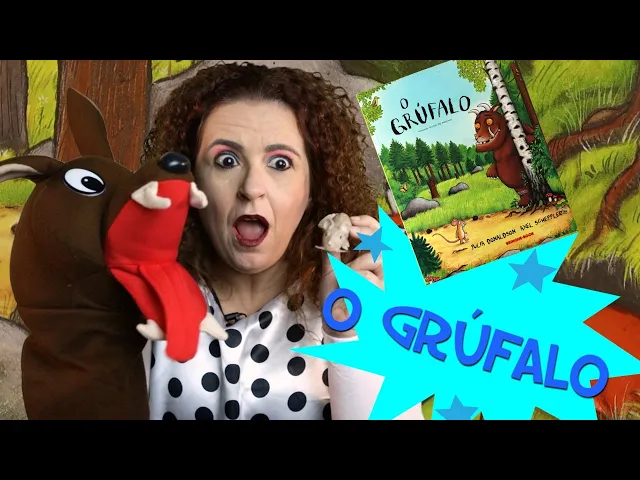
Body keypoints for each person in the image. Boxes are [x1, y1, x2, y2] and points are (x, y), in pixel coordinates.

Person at [140, 61, 425, 420]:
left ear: (313, 187)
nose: (251, 188)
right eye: (226, 160)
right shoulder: (144, 299)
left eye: (279, 164)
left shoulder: (354, 301)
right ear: (191, 181)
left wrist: (348, 329)